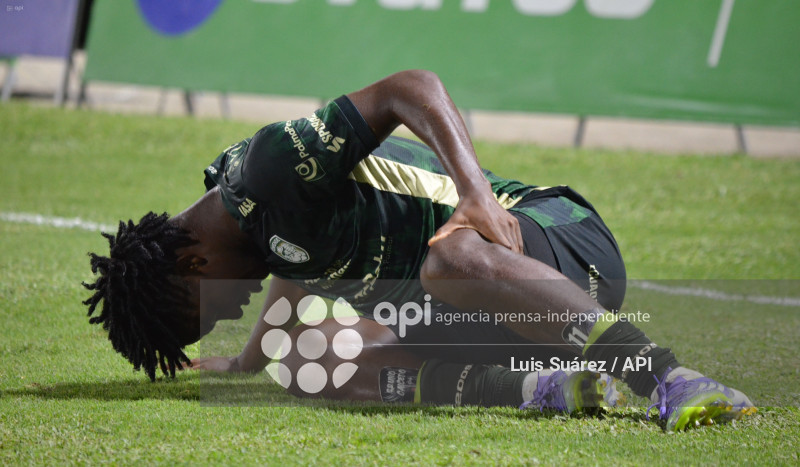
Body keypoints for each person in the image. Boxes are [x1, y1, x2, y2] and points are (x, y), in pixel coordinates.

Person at [83, 70, 754, 431]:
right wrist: (252, 356)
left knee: (447, 260)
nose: (234, 309)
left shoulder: (268, 169)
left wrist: (476, 193)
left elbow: (412, 88)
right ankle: (542, 385)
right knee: (309, 363)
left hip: (556, 251)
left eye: (215, 310)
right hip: (490, 321)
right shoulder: (250, 230)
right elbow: (301, 260)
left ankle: (663, 375)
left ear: (193, 264)